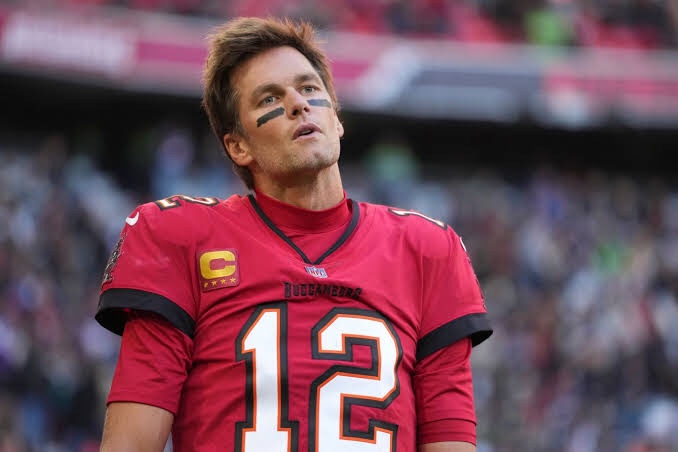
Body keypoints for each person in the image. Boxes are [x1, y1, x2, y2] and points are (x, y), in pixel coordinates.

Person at [95, 16, 492, 452]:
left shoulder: (428, 249)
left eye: (308, 88)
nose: (298, 105)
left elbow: (450, 440)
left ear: (336, 120)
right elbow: (131, 444)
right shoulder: (178, 235)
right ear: (238, 146)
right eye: (270, 98)